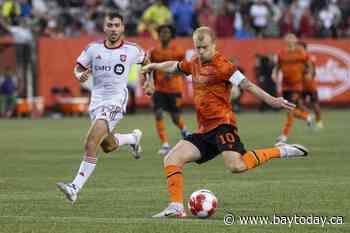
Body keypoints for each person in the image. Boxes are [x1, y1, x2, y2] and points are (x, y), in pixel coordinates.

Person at [142, 26, 309, 218]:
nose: (201, 51)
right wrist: (154, 66)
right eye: (197, 47)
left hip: (223, 125)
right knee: (171, 158)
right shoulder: (194, 63)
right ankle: (176, 206)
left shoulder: (224, 65)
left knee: (236, 166)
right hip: (204, 130)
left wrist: (271, 100)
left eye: (204, 47)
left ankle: (281, 150)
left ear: (214, 44)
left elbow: (247, 84)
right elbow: (175, 66)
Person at [57, 11, 149, 204]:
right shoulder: (92, 48)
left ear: (122, 27)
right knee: (108, 146)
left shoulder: (132, 50)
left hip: (116, 100)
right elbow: (78, 67)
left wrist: (149, 81)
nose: (113, 29)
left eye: (117, 25)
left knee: (90, 142)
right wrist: (78, 75)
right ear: (104, 27)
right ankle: (132, 138)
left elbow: (146, 62)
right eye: (110, 25)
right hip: (96, 101)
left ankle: (74, 188)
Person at [149, 24, 190, 155]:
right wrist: (150, 83)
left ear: (171, 35)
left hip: (174, 88)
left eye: (166, 32)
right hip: (159, 89)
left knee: (175, 116)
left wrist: (173, 73)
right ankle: (165, 144)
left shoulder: (178, 50)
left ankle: (184, 131)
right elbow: (151, 69)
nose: (164, 35)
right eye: (161, 32)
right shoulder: (154, 51)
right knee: (158, 113)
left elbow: (186, 68)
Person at [272, 33, 315, 143]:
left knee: (289, 110)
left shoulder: (300, 51)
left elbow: (309, 63)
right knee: (289, 108)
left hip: (297, 85)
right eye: (288, 37)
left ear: (296, 40)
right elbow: (278, 66)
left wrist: (310, 73)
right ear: (285, 40)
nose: (290, 39)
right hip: (285, 85)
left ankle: (284, 136)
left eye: (292, 37)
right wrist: (274, 73)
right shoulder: (282, 53)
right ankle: (307, 117)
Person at [300, 42, 323, 129]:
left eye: (301, 48)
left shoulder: (308, 60)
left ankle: (319, 122)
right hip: (301, 87)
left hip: (310, 86)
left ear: (305, 49)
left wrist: (307, 74)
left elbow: (313, 74)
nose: (299, 50)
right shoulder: (297, 60)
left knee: (315, 105)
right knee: (299, 105)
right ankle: (310, 116)